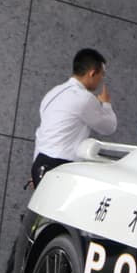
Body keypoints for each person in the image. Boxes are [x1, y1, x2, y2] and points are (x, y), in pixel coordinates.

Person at [32, 48, 116, 186]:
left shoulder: (53, 93)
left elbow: (42, 133)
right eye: (102, 75)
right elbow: (109, 127)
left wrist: (35, 169)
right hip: (60, 166)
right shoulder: (84, 98)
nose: (102, 80)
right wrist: (106, 104)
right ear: (92, 73)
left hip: (41, 163)